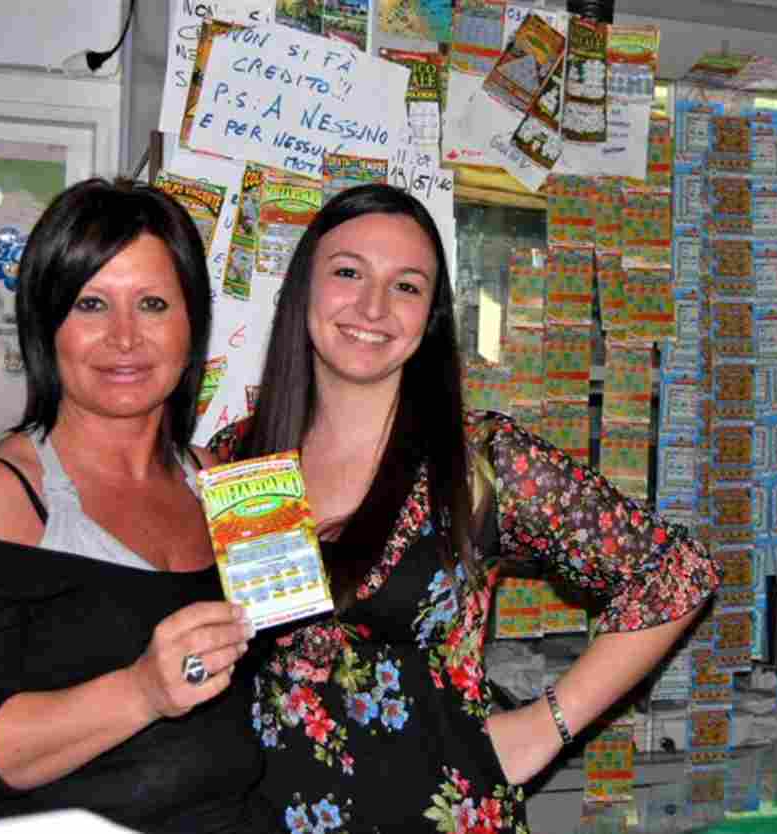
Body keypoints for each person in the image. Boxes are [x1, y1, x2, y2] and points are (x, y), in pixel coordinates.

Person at [207, 183, 722, 832]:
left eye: (406, 286)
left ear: (430, 316)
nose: (373, 306)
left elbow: (678, 571)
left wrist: (544, 726)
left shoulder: (479, 461)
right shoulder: (238, 460)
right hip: (266, 813)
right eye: (348, 273)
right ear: (302, 288)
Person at [0, 177, 277, 833]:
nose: (125, 337)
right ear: (47, 327)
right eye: (91, 304)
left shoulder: (221, 483)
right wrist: (143, 691)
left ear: (191, 325)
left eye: (152, 304)